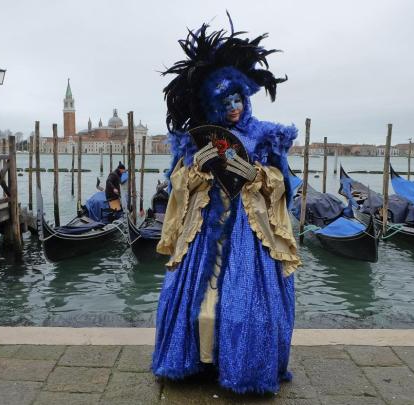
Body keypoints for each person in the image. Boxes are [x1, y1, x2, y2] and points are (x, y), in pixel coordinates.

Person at [152, 16, 301, 394]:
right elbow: (179, 187)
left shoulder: (266, 137)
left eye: (238, 99)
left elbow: (282, 184)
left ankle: (244, 368)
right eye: (225, 102)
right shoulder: (196, 141)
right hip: (204, 232)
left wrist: (254, 175)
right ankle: (200, 361)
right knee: (200, 304)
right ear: (214, 107)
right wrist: (197, 169)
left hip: (249, 231)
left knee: (245, 306)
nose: (233, 107)